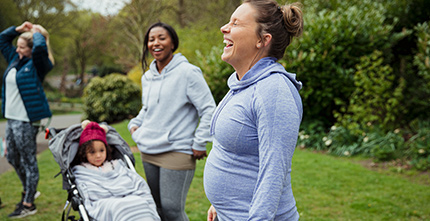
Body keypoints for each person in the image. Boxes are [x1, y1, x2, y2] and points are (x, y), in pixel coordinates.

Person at [203, 0, 304, 220]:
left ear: (262, 40)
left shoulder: (274, 90)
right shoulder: (244, 85)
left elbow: (273, 172)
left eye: (236, 23)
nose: (224, 28)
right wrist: (220, 204)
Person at [128, 22, 216, 220]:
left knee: (172, 210)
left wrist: (200, 142)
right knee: (156, 208)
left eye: (162, 38)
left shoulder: (188, 72)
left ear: (173, 43)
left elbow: (209, 109)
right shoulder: (147, 77)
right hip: (149, 150)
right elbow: (148, 109)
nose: (155, 43)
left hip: (178, 150)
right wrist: (134, 126)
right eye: (151, 39)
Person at [0, 21, 54, 218]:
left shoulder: (39, 64)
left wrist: (37, 32)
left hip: (26, 120)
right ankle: (29, 188)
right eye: (18, 45)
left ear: (31, 49)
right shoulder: (15, 59)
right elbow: (2, 39)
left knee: (29, 160)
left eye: (23, 46)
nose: (18, 48)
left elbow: (40, 47)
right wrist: (18, 30)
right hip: (12, 118)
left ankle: (29, 204)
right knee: (12, 157)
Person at [72, 121, 160, 221]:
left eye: (101, 150)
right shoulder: (82, 171)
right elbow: (88, 191)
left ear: (107, 150)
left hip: (127, 196)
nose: (98, 155)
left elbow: (134, 181)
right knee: (119, 208)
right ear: (84, 153)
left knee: (140, 203)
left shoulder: (116, 165)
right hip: (104, 201)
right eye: (92, 152)